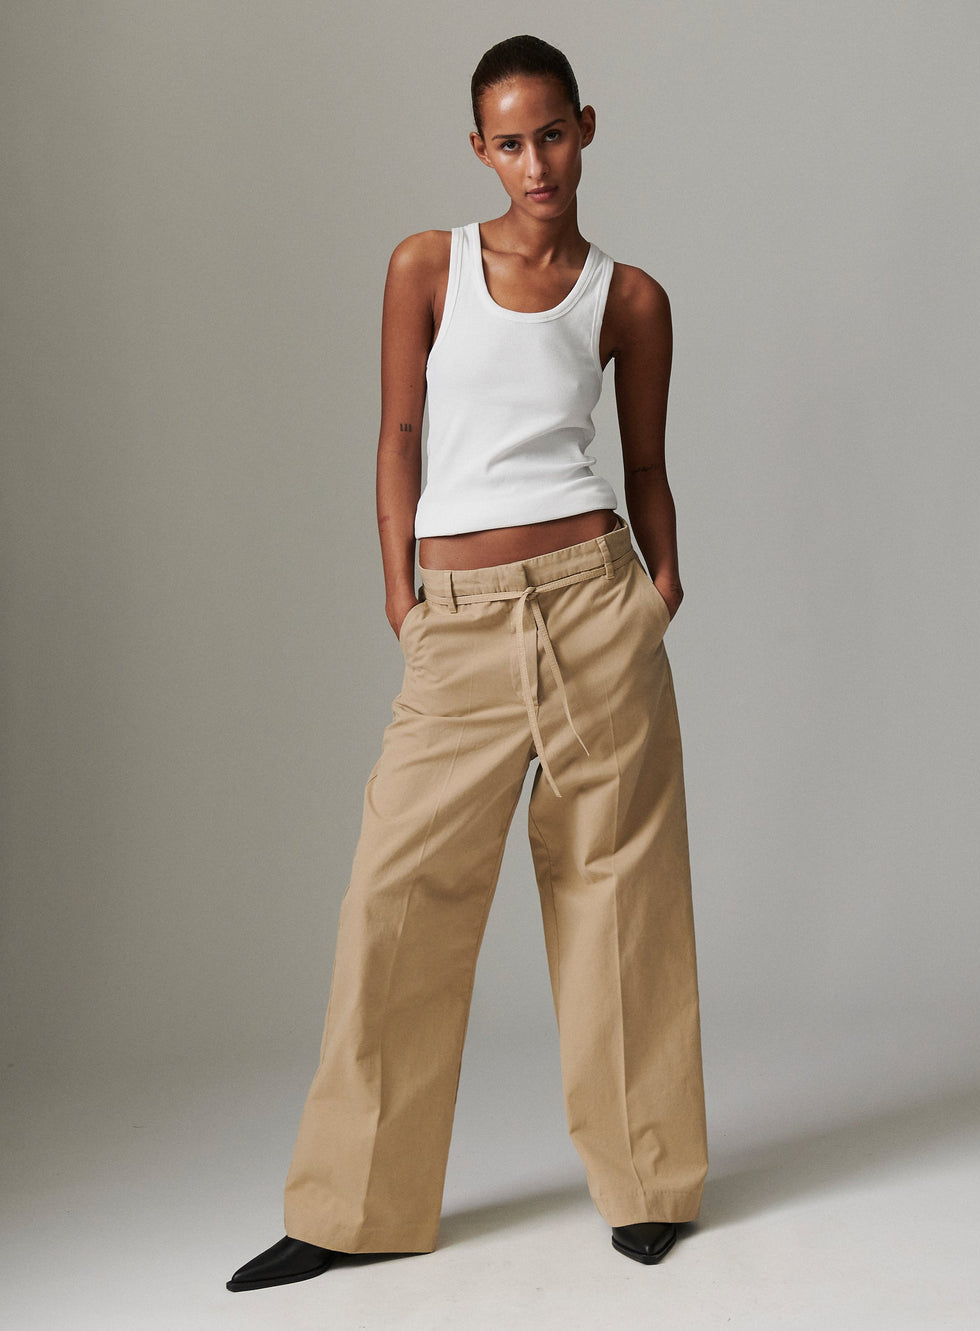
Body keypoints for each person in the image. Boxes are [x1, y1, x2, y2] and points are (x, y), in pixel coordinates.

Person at [227, 33, 708, 1293]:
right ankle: (355, 1206)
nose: (534, 163)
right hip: (459, 613)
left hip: (595, 604)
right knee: (395, 895)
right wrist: (403, 592)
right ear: (479, 149)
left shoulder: (631, 297)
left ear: (585, 128)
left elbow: (644, 463)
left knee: (620, 897)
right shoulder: (425, 265)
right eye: (508, 142)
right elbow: (397, 433)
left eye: (551, 134)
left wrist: (659, 589)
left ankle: (649, 1182)